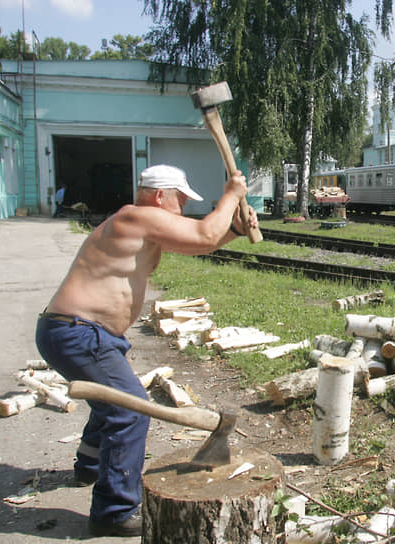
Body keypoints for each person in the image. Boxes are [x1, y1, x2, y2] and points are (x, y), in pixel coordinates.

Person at [35, 164, 256, 537]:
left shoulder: (140, 225)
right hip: (77, 332)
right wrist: (232, 194)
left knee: (112, 400)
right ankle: (114, 510)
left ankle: (89, 466)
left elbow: (199, 243)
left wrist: (234, 228)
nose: (183, 208)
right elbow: (203, 234)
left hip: (84, 333)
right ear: (159, 195)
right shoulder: (135, 218)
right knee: (129, 410)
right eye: (181, 199)